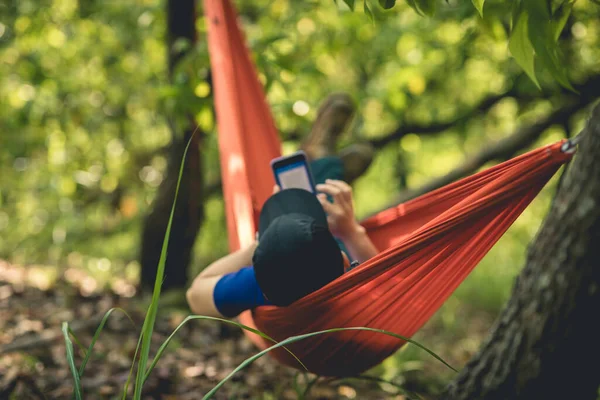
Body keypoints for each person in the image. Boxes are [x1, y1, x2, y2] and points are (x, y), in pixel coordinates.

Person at [186, 93, 378, 318]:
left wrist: (254, 249)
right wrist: (351, 232)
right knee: (323, 206)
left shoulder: (259, 284)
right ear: (344, 260)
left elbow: (195, 295)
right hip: (332, 264)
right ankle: (330, 165)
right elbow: (388, 286)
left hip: (304, 265)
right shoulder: (344, 275)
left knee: (317, 209)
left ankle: (323, 159)